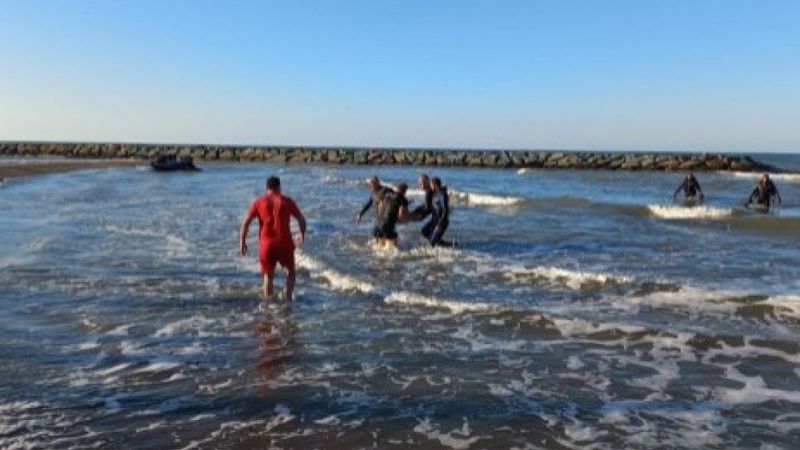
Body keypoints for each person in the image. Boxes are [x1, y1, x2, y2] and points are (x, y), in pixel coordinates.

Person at [240, 176, 306, 301]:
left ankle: (268, 307)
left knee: (268, 276)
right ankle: (288, 299)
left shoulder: (258, 202)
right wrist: (302, 234)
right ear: (279, 187)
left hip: (266, 244)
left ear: (267, 188)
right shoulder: (287, 201)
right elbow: (301, 220)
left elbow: (246, 222)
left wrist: (242, 242)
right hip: (284, 242)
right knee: (291, 272)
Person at [356, 176, 395, 243]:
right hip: (378, 217)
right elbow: (369, 203)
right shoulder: (373, 192)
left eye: (371, 184)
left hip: (387, 218)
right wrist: (360, 214)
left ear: (377, 182)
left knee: (386, 234)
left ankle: (392, 249)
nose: (369, 186)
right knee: (376, 233)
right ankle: (382, 249)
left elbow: (396, 199)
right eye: (369, 184)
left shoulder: (386, 190)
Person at [375, 183, 413, 249]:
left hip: (378, 224)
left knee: (380, 247)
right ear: (405, 191)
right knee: (393, 248)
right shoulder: (403, 200)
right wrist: (407, 220)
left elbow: (380, 207)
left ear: (396, 188)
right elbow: (401, 215)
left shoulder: (387, 196)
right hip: (387, 225)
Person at [421, 177, 453, 247]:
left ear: (435, 185)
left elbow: (446, 210)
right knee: (424, 231)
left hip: (442, 221)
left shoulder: (442, 195)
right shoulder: (436, 193)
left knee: (432, 242)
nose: (430, 186)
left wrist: (440, 223)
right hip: (434, 219)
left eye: (431, 185)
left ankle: (438, 247)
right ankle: (440, 243)